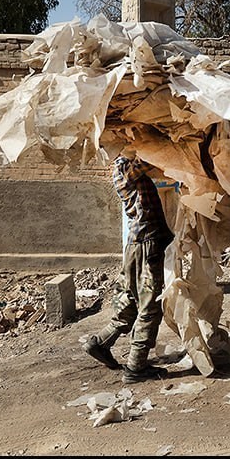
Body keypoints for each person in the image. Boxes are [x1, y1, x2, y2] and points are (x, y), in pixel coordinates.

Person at [83, 153, 175, 384]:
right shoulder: (124, 166)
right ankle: (136, 367)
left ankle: (100, 343)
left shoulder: (123, 167)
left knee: (132, 301)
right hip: (146, 244)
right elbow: (150, 160)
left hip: (138, 244)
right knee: (150, 305)